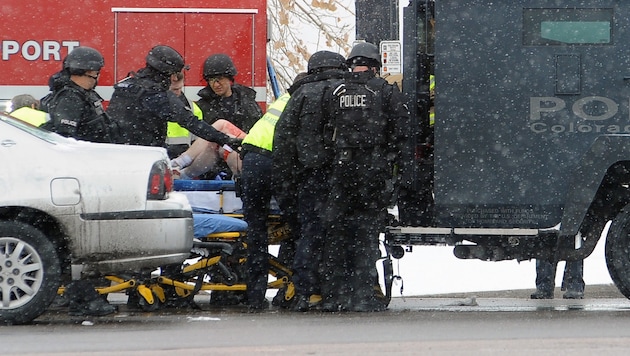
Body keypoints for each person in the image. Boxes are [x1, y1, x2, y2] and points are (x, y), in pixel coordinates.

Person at [320, 42, 410, 312]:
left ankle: (335, 296)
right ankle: (363, 295)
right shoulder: (384, 91)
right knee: (366, 235)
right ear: (375, 66)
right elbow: (402, 132)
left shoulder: (334, 91)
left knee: (337, 234)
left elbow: (324, 132)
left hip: (340, 170)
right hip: (371, 171)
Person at [39, 46, 117, 316]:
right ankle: (81, 298)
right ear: (86, 72)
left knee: (79, 240)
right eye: (95, 73)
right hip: (76, 179)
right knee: (78, 240)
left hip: (83, 175)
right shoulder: (70, 99)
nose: (97, 77)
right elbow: (66, 140)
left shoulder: (81, 95)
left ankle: (81, 295)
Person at [273, 51, 348, 312]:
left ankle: (307, 290)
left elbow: (283, 140)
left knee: (311, 232)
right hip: (347, 177)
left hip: (311, 176)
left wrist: (286, 184)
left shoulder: (301, 95)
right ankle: (339, 289)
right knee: (341, 234)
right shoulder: (348, 91)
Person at [240, 72, 307, 311]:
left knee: (255, 230)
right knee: (299, 224)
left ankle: (254, 296)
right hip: (274, 162)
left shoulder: (281, 101)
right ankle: (293, 287)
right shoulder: (302, 103)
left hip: (251, 159)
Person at [107, 45, 239, 150]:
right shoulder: (155, 95)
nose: (175, 79)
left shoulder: (126, 85)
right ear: (164, 73)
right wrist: (225, 140)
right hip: (143, 158)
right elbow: (190, 122)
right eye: (173, 74)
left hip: (116, 153)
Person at [40, 46, 117, 143]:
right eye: (97, 72)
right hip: (84, 155)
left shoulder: (83, 95)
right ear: (90, 72)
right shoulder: (70, 98)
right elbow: (65, 139)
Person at [196, 53, 263, 133]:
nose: (216, 85)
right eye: (211, 80)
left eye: (219, 79)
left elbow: (260, 129)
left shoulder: (247, 101)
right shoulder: (203, 107)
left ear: (229, 78)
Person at [166, 71, 203, 158]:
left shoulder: (194, 109)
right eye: (174, 90)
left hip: (182, 160)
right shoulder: (154, 107)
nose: (178, 93)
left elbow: (198, 144)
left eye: (180, 88)